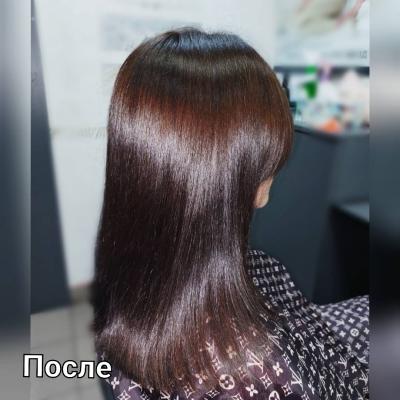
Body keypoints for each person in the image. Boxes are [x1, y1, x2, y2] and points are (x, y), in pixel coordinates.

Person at [92, 28, 369, 399]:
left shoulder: (129, 280)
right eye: (264, 170)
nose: (265, 196)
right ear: (219, 185)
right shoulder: (255, 372)